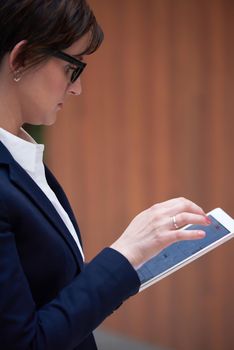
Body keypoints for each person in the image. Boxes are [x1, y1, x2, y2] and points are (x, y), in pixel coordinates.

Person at [0, 1, 210, 349]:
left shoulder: (20, 158)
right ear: (21, 57)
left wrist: (138, 255)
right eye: (72, 68)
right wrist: (124, 256)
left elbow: (46, 289)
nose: (76, 88)